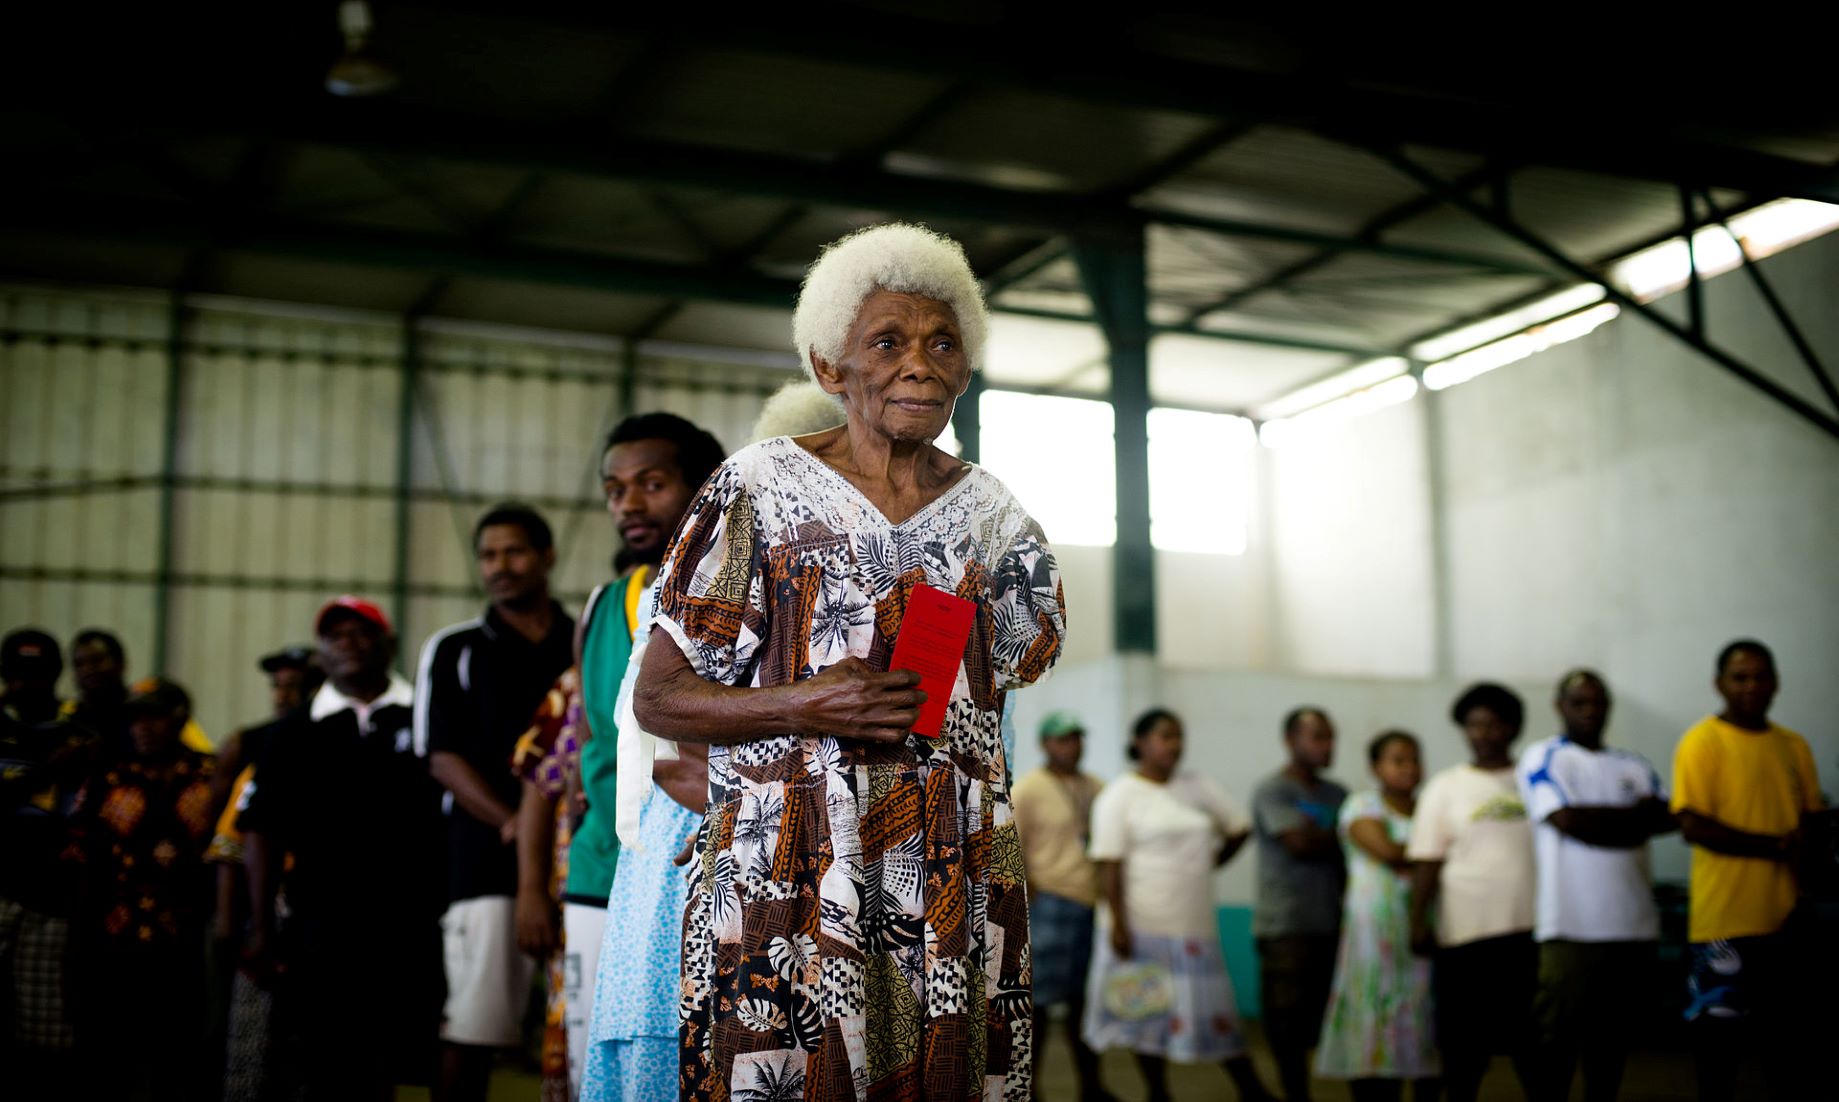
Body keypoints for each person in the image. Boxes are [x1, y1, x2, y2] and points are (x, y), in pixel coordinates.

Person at [630, 222, 1066, 1101]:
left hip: (949, 871)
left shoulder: (996, 518)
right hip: (787, 867)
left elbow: (1013, 668)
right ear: (832, 369)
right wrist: (803, 703)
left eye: (942, 343)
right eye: (887, 342)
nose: (919, 363)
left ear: (966, 369)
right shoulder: (757, 487)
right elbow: (659, 700)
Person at [238, 596, 444, 1100]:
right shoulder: (293, 731)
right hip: (318, 927)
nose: (348, 645)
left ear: (388, 644)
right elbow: (261, 832)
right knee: (322, 1063)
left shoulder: (426, 718)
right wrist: (262, 928)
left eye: (361, 633)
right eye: (335, 636)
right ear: (321, 653)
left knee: (390, 1066)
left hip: (408, 927)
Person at [577, 413, 724, 1102]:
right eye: (614, 489)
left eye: (651, 484)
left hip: (716, 848)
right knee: (653, 1046)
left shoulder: (733, 580)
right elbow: (640, 738)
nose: (628, 504)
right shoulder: (623, 602)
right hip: (645, 853)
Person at [419, 504, 575, 1102]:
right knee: (474, 1026)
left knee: (578, 1028)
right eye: (488, 556)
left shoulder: (579, 639)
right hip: (485, 861)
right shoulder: (456, 648)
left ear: (546, 557)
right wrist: (512, 820)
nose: (500, 567)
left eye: (513, 552)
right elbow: (442, 757)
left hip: (576, 858)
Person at [1083, 709, 1275, 1102]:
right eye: (1165, 736)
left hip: (1193, 925)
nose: (1175, 744)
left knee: (1216, 1009)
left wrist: (1211, 864)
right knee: (1149, 1014)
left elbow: (1239, 828)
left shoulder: (1197, 785)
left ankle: (1252, 1090)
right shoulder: (1119, 795)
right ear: (1139, 742)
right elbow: (1109, 865)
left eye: (1179, 736)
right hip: (1142, 925)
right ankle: (1158, 1092)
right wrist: (1118, 924)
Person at [1672, 640, 1823, 1101]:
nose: (1751, 686)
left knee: (1789, 1047)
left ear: (1776, 682)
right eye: (1740, 677)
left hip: (1787, 920)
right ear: (1719, 684)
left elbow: (1811, 824)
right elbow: (1693, 824)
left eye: (1760, 676)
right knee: (1719, 1049)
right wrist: (1777, 846)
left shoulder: (1793, 745)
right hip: (1723, 924)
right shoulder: (1702, 741)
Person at [1516, 670, 1674, 1102]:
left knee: (1612, 1042)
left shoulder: (1634, 764)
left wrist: (1598, 818)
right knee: (1556, 1042)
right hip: (1572, 927)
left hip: (1632, 925)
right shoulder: (1543, 756)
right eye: (1578, 702)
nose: (1589, 711)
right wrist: (1632, 819)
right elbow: (1567, 821)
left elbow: (1669, 818)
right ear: (1559, 706)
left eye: (1597, 702)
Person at [70, 677, 215, 1100]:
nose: (142, 728)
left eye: (154, 717)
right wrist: (76, 952)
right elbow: (83, 868)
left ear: (180, 718)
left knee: (179, 1066)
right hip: (114, 950)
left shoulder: (209, 777)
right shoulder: (108, 779)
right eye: (135, 719)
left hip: (186, 951)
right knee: (110, 1066)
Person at [205, 645, 325, 1101]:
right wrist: (229, 921)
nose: (285, 695)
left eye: (297, 686)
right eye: (279, 686)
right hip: (267, 906)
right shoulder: (256, 745)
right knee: (250, 1038)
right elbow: (231, 838)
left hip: (321, 909)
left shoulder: (344, 739)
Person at [1407, 683, 1536, 1102]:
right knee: (1463, 1050)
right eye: (1473, 725)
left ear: (1513, 728)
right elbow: (1427, 860)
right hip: (1465, 936)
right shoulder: (1444, 787)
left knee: (1531, 1046)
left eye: (1492, 725)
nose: (1482, 734)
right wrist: (1417, 920)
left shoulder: (1534, 782)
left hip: (1529, 932)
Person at [1315, 731, 1439, 1102]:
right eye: (1398, 760)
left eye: (1414, 759)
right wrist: (1434, 852)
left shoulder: (1430, 808)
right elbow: (1386, 849)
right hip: (1373, 938)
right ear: (1375, 767)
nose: (1409, 768)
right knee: (1372, 1013)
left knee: (1421, 1012)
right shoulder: (1361, 806)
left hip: (1422, 930)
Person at [0, 629, 95, 1094]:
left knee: (45, 1038)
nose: (25, 685)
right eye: (16, 674)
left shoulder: (81, 733)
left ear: (56, 674)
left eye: (36, 674)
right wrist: (48, 770)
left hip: (51, 902)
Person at [1251, 706, 1348, 1102]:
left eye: (1331, 737)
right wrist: (1339, 838)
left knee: (1320, 1023)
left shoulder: (1338, 794)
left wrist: (1325, 838)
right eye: (1318, 737)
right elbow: (1299, 844)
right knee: (1285, 1024)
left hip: (1332, 922)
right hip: (1286, 927)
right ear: (1291, 741)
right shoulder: (1273, 791)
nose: (1328, 746)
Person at [1010, 710, 1106, 1101]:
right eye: (1064, 738)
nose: (1073, 746)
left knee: (1087, 1003)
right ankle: (1031, 1089)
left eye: (1078, 737)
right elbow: (1011, 850)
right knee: (1042, 1006)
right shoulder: (1029, 789)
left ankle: (1092, 1087)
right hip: (1049, 904)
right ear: (1046, 744)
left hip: (1091, 905)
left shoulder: (1096, 787)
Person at [65, 629, 213, 754]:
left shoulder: (153, 707)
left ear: (121, 663)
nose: (88, 670)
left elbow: (201, 752)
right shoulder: (68, 716)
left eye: (97, 661)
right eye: (79, 664)